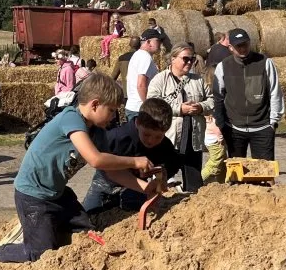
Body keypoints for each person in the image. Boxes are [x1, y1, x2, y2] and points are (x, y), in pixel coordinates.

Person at [0, 73, 158, 269]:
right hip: (33, 196)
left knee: (85, 234)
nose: (115, 116)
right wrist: (134, 161)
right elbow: (96, 160)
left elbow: (110, 171)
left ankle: (30, 230)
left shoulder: (98, 132)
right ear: (95, 104)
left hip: (58, 195)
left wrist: (145, 188)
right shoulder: (71, 118)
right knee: (39, 254)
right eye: (112, 110)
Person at [82, 98, 181, 214]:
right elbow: (99, 160)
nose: (151, 141)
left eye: (158, 137)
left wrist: (164, 173)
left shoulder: (165, 145)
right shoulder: (117, 137)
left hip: (137, 188)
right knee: (89, 216)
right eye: (147, 134)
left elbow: (173, 162)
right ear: (138, 123)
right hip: (105, 184)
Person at [148, 45, 213, 191]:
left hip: (193, 140)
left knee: (195, 187)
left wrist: (201, 107)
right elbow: (152, 105)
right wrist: (179, 109)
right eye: (185, 59)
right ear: (173, 59)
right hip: (169, 140)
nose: (189, 62)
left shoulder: (198, 80)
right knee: (162, 184)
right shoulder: (159, 80)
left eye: (192, 59)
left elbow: (212, 100)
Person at [213, 28, 284, 160]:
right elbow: (218, 97)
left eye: (245, 44)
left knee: (263, 174)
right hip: (234, 129)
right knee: (237, 175)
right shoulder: (223, 66)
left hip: (262, 127)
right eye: (238, 46)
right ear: (230, 47)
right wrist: (221, 124)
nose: (242, 48)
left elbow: (275, 92)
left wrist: (273, 122)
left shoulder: (265, 63)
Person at [124, 29, 162, 121]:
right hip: (140, 109)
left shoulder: (137, 55)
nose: (160, 44)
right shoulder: (145, 57)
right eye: (158, 41)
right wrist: (148, 106)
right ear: (148, 42)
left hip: (134, 107)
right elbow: (141, 85)